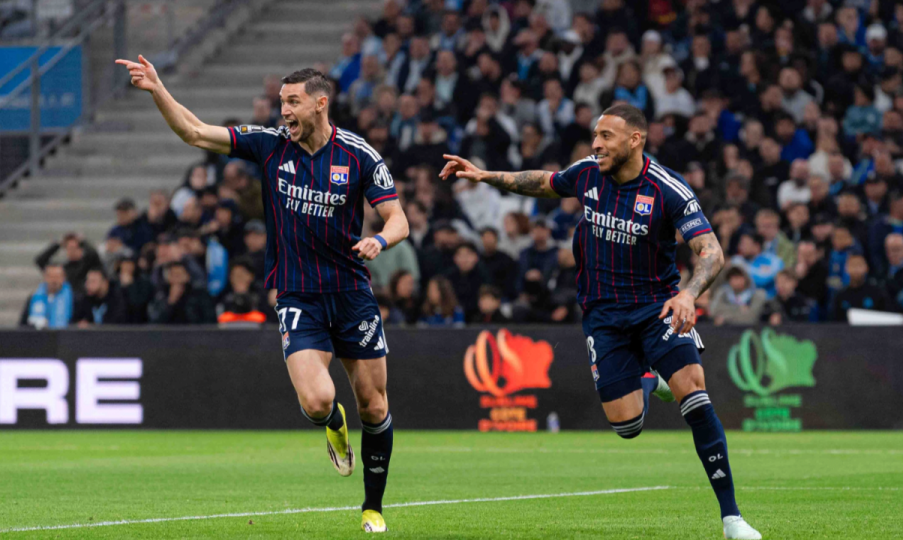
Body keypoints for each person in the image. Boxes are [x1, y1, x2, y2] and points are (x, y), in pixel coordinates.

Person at [440, 103, 761, 539]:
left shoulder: (668, 190)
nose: (596, 144)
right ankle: (653, 380)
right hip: (603, 315)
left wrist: (688, 293)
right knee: (627, 425)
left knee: (695, 391)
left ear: (635, 140)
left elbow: (711, 251)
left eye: (606, 136)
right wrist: (485, 175)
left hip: (658, 307)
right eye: (595, 135)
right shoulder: (589, 172)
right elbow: (545, 183)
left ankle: (732, 518)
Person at [117, 58, 408, 532]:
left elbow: (399, 219)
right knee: (318, 401)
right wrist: (157, 89)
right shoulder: (270, 145)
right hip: (297, 295)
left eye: (292, 102)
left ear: (320, 103)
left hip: (351, 292)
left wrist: (381, 238)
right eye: (281, 102)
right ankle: (333, 428)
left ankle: (372, 506)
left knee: (374, 406)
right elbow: (194, 132)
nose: (284, 111)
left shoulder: (359, 155)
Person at [148, 261, 217, 324]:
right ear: (168, 278)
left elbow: (209, 319)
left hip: (194, 334)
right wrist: (170, 302)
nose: (177, 278)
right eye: (174, 275)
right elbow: (155, 320)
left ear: (187, 276)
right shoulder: (161, 294)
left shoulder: (199, 294)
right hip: (168, 335)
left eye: (180, 274)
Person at [35, 233, 103, 295]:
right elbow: (40, 261)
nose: (72, 251)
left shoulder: (88, 265)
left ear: (81, 249)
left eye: (74, 248)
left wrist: (83, 241)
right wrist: (58, 244)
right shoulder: (62, 269)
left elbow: (94, 255)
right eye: (69, 248)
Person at [830, 254, 891, 322]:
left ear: (866, 268)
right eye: (853, 265)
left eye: (859, 265)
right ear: (846, 268)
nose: (856, 269)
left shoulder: (877, 293)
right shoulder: (840, 296)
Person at [19, 263, 73, 330]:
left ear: (63, 278)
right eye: (51, 276)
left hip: (63, 338)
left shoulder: (73, 299)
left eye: (57, 276)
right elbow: (22, 324)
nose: (54, 280)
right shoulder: (33, 298)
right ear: (45, 277)